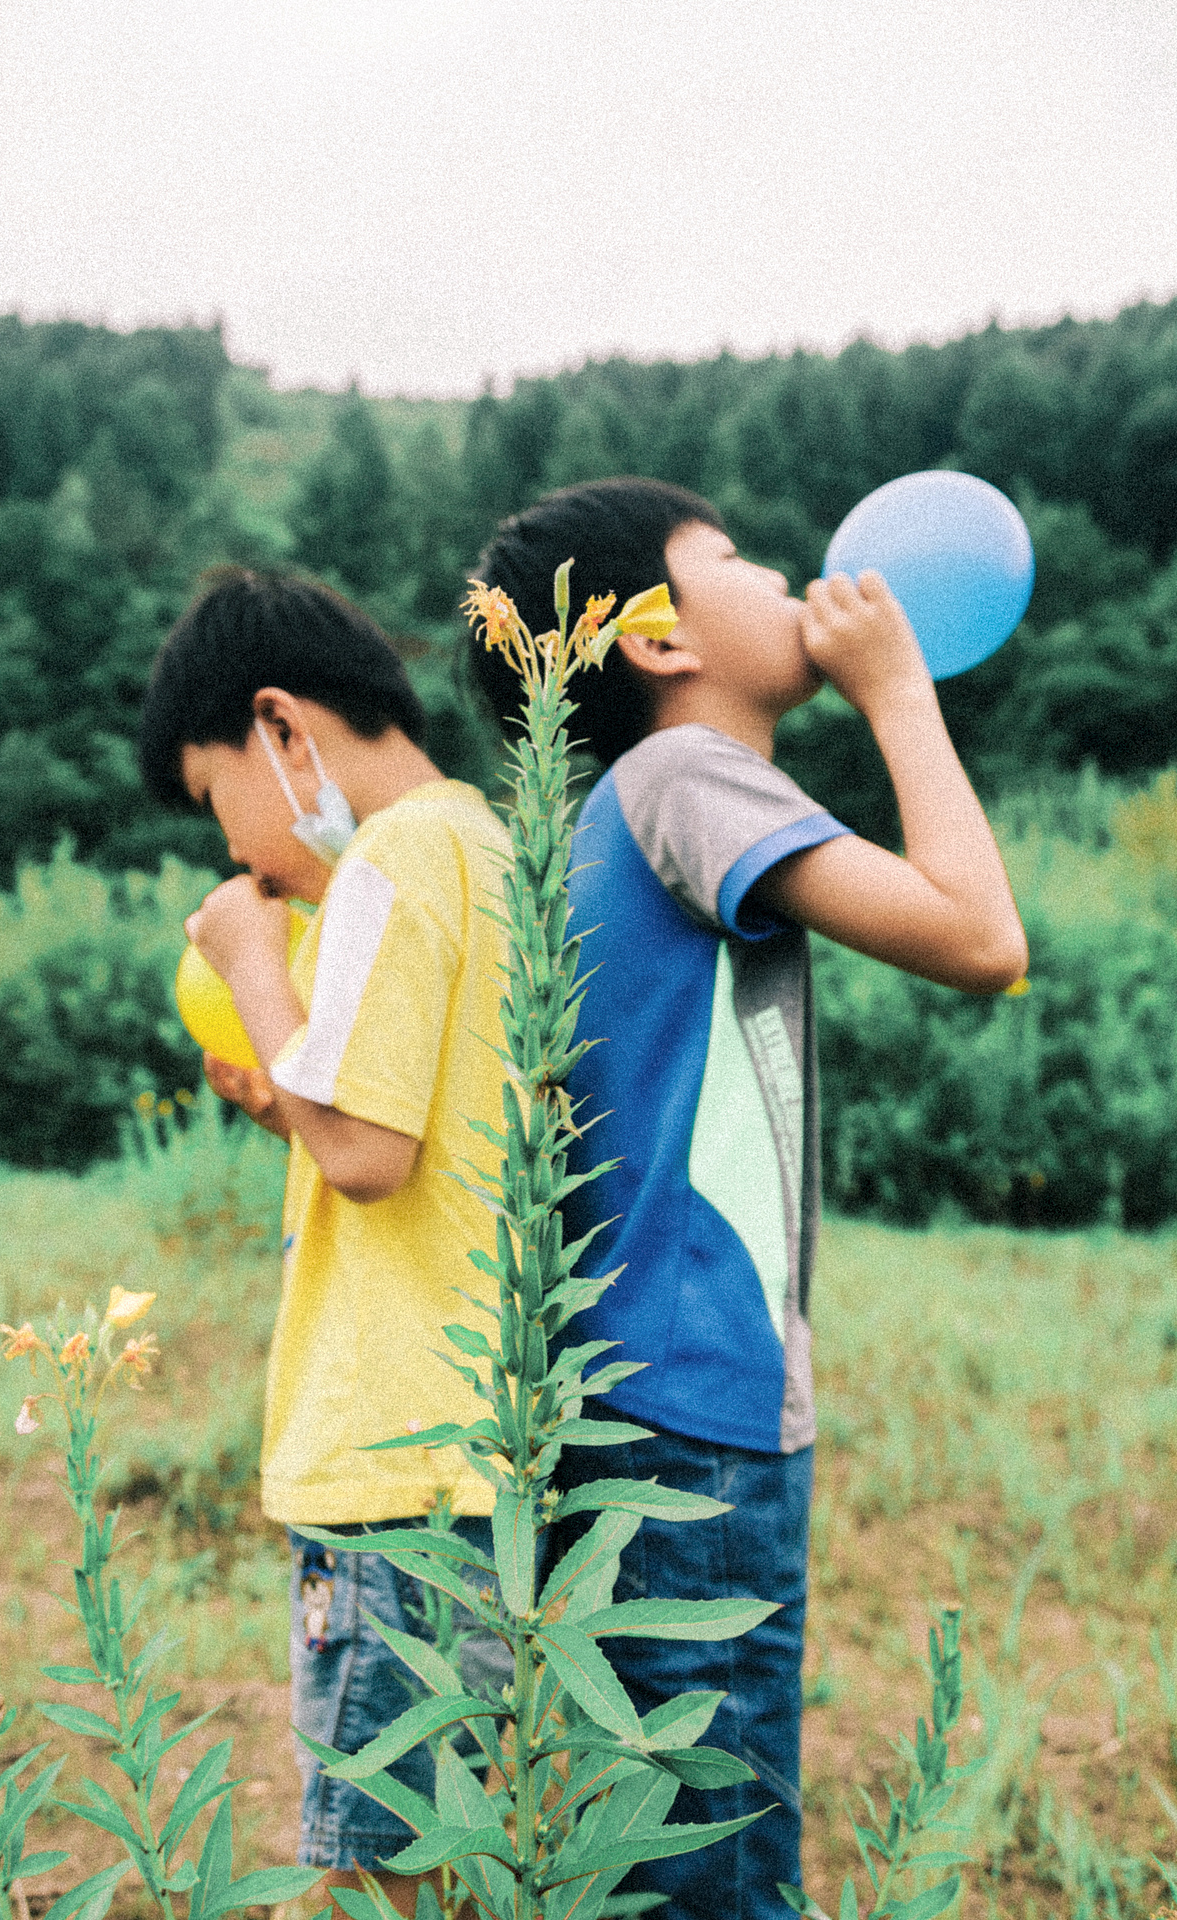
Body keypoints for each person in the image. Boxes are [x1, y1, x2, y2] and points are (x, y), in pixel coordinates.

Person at [471, 478, 1027, 1920]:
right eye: (736, 556)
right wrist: (900, 691)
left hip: (644, 1393)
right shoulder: (683, 778)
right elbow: (981, 935)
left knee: (660, 1862)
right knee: (717, 1878)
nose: (792, 570)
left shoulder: (618, 805)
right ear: (653, 636)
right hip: (696, 1403)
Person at [139, 568, 510, 1919]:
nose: (237, 856)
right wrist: (281, 1084)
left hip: (387, 1473)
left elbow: (365, 1154)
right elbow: (419, 1130)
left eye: (213, 797)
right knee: (467, 1850)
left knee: (374, 1869)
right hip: (485, 1448)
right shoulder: (481, 843)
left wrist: (249, 960)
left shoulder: (384, 862)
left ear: (280, 727)